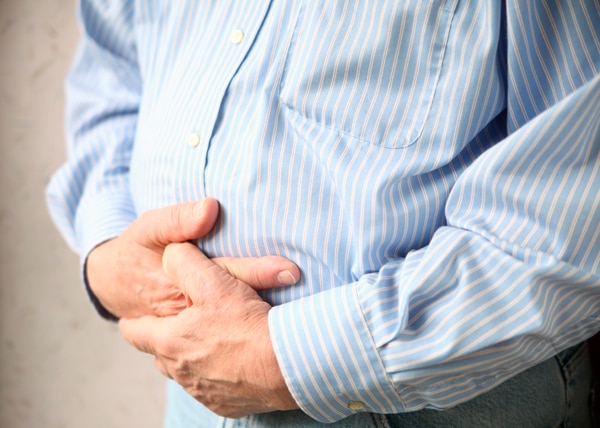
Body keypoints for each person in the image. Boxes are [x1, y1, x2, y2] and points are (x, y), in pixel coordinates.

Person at [46, 1, 600, 426]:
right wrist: (110, 254)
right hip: (192, 388)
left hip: (433, 402)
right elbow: (112, 73)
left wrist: (285, 359)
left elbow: (576, 213)